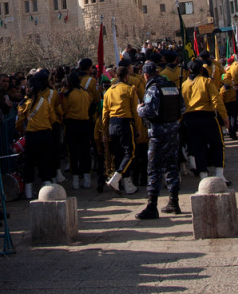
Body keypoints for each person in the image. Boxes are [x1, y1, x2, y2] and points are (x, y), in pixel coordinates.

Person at [135, 60, 185, 219]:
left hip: (158, 133)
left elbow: (151, 110)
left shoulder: (153, 88)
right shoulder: (172, 86)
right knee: (172, 166)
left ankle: (152, 205)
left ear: (146, 74)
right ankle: (174, 201)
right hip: (173, 131)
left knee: (154, 168)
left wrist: (139, 109)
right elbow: (182, 108)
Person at [181, 58, 228, 184]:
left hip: (190, 119)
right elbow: (216, 99)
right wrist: (224, 116)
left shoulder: (184, 85)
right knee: (217, 144)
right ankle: (219, 174)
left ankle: (203, 175)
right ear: (202, 70)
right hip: (206, 116)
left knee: (198, 148)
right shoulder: (206, 81)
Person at [16, 69, 60, 198]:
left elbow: (19, 121)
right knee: (45, 161)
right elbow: (53, 118)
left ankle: (29, 191)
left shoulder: (24, 103)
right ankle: (46, 188)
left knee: (29, 162)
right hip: (46, 134)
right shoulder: (45, 102)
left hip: (31, 135)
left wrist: (21, 130)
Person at [102, 65, 141, 195]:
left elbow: (105, 114)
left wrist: (105, 131)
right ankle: (116, 178)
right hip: (126, 123)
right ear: (126, 76)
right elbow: (136, 111)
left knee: (119, 155)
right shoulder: (130, 89)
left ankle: (127, 184)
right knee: (130, 153)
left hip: (112, 125)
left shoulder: (108, 91)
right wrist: (138, 128)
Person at [61, 71, 95, 190]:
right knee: (85, 152)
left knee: (73, 153)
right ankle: (87, 179)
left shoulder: (67, 95)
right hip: (85, 125)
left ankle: (75, 180)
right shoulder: (86, 94)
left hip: (72, 125)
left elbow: (64, 111)